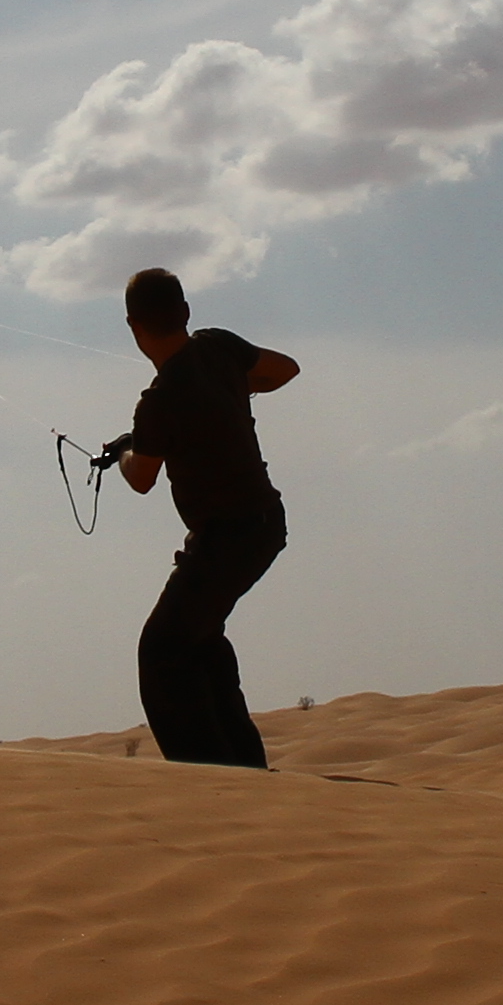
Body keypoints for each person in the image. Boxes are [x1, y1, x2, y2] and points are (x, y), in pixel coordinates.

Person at [106, 265, 299, 767]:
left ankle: (209, 775)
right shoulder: (217, 346)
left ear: (133, 326)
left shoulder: (158, 401)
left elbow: (141, 477)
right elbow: (285, 369)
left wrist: (126, 449)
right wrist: (231, 384)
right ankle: (243, 767)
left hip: (227, 537)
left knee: (162, 651)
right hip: (264, 524)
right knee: (199, 639)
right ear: (186, 312)